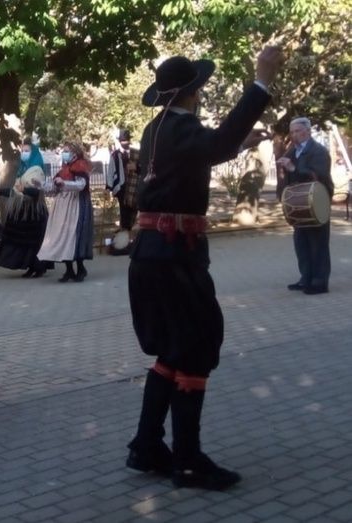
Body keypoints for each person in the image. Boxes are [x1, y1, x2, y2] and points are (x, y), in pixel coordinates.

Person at [126, 47, 284, 490]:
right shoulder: (182, 126)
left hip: (152, 254)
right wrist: (261, 81)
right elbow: (214, 143)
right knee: (196, 346)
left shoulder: (157, 128)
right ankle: (188, 459)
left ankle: (146, 445)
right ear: (193, 93)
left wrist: (234, 144)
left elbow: (201, 153)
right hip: (176, 256)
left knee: (172, 350)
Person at [277, 117, 332, 295]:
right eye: (292, 132)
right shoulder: (292, 151)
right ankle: (305, 278)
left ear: (308, 131)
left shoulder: (319, 151)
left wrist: (293, 168)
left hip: (317, 203)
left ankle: (319, 282)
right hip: (299, 205)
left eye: (297, 131)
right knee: (301, 244)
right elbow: (285, 176)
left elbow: (318, 176)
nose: (294, 135)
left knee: (318, 244)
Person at [0, 139, 52, 277]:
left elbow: (36, 191)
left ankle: (39, 267)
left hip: (33, 211)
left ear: (33, 153)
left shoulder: (37, 169)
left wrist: (24, 190)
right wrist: (0, 191)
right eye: (23, 151)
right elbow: (16, 191)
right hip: (21, 209)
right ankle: (30, 266)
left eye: (27, 151)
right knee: (23, 242)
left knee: (34, 241)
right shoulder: (22, 169)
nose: (24, 153)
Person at [37, 142, 94, 282]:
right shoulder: (64, 169)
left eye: (67, 151)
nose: (64, 153)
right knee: (62, 236)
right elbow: (53, 189)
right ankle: (69, 270)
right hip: (62, 206)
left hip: (76, 204)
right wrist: (40, 185)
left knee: (73, 235)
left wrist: (64, 183)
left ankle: (81, 268)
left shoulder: (80, 166)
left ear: (75, 153)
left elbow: (81, 185)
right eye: (64, 151)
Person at [108, 130, 140, 231]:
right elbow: (111, 170)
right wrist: (109, 187)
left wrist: (136, 167)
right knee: (123, 210)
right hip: (121, 187)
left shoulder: (137, 153)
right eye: (123, 141)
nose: (125, 143)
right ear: (119, 141)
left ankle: (129, 230)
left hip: (133, 187)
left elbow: (143, 168)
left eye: (126, 140)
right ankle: (125, 229)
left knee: (133, 211)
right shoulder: (115, 155)